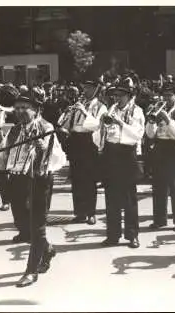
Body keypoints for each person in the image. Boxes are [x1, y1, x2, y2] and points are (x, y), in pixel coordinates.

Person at [0, 89, 66, 287]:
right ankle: (47, 250)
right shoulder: (15, 129)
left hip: (38, 181)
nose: (20, 111)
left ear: (35, 110)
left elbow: (58, 158)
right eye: (18, 108)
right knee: (24, 225)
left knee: (37, 227)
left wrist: (43, 149)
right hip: (17, 181)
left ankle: (31, 272)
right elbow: (4, 155)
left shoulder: (45, 127)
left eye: (25, 108)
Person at [98, 76, 145, 248]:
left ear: (129, 95)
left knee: (129, 199)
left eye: (120, 95)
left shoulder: (137, 111)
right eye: (115, 95)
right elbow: (100, 136)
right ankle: (113, 235)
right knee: (111, 198)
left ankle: (132, 235)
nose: (116, 98)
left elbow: (137, 135)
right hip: (111, 153)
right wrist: (102, 124)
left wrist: (120, 123)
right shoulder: (112, 108)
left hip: (127, 154)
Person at [58, 78, 107, 225]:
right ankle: (79, 212)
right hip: (75, 141)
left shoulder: (100, 106)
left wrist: (84, 111)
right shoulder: (78, 105)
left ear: (95, 89)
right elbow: (65, 124)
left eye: (88, 88)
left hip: (89, 141)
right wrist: (66, 114)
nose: (84, 91)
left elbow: (96, 125)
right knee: (77, 179)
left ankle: (91, 213)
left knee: (89, 179)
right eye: (84, 87)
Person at [146, 82, 175, 232]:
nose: (166, 98)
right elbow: (150, 134)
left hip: (174, 148)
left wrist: (168, 119)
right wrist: (151, 122)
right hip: (159, 147)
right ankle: (159, 219)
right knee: (158, 186)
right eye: (164, 94)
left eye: (170, 95)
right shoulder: (157, 110)